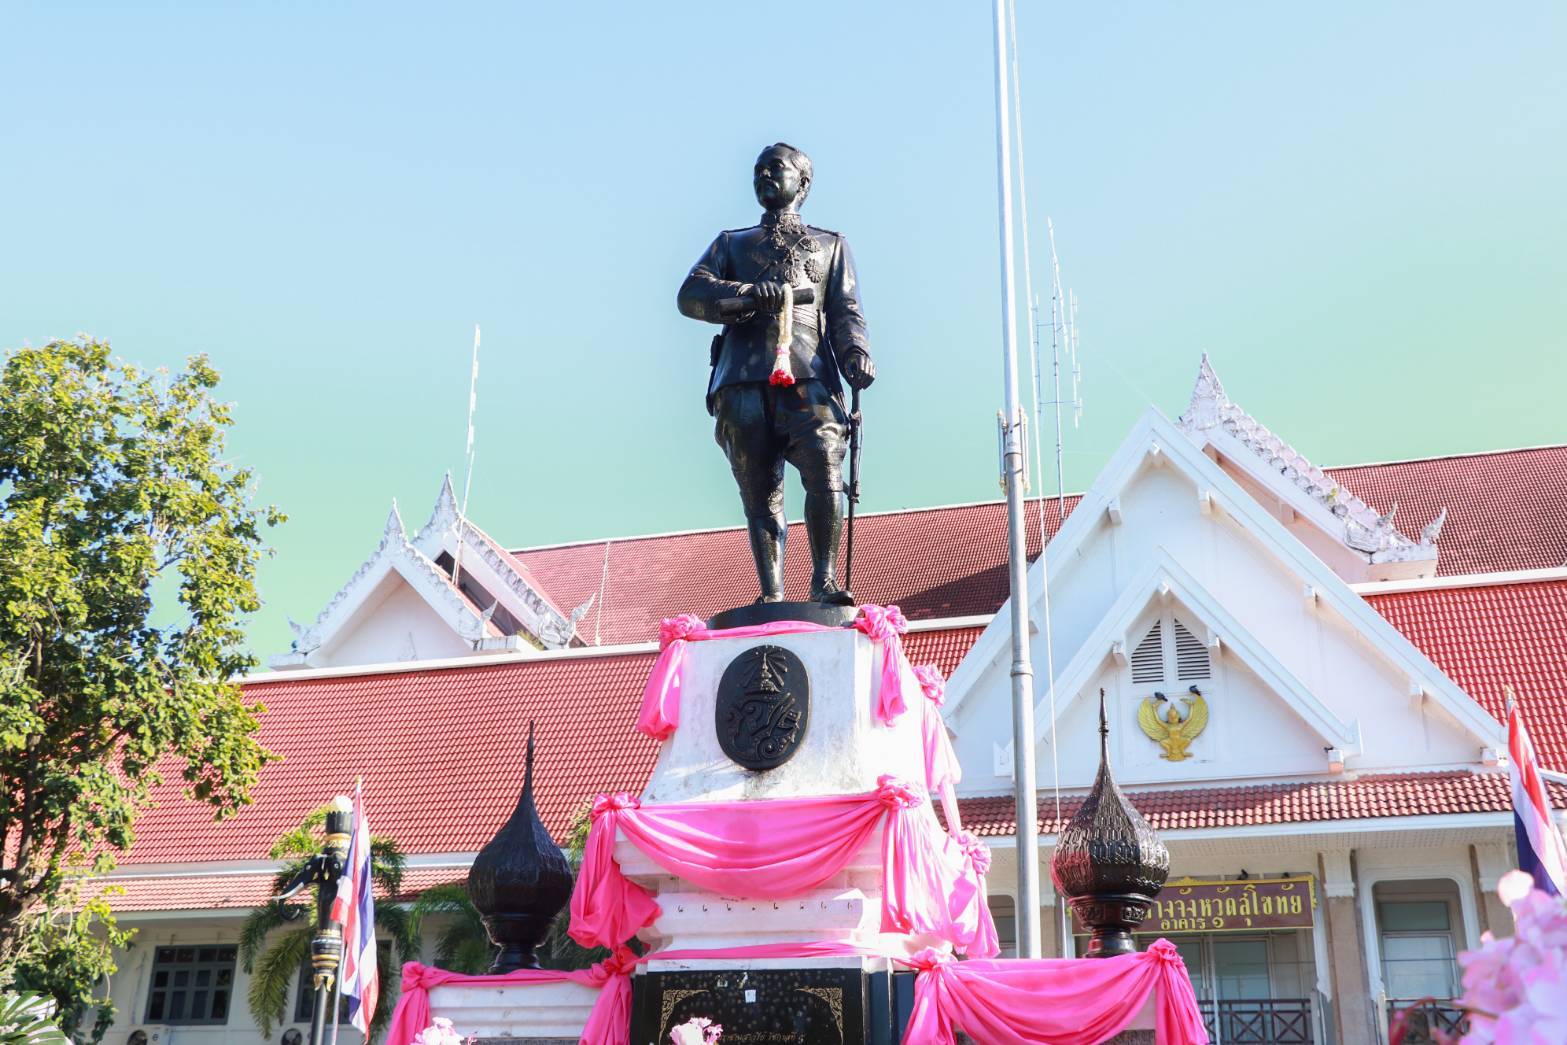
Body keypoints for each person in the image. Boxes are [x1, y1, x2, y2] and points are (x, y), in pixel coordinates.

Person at [677, 142, 876, 605]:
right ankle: (771, 593)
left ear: (802, 184)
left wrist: (856, 354)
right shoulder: (731, 244)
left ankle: (824, 580)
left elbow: (845, 311)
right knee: (759, 490)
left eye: (776, 169)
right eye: (758, 170)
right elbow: (690, 293)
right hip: (743, 377)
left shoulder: (831, 245)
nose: (765, 175)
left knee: (826, 466)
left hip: (809, 372)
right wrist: (748, 292)